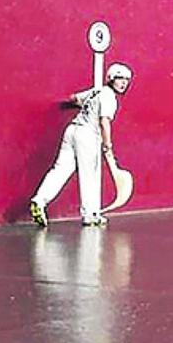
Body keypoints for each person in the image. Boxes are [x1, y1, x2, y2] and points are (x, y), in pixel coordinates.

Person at [30, 63, 133, 227]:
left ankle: (39, 200)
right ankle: (90, 215)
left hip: (71, 131)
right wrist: (107, 145)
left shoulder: (95, 91)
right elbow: (104, 121)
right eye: (120, 79)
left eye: (126, 80)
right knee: (89, 174)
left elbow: (74, 98)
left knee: (60, 170)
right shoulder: (109, 97)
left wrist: (87, 106)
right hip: (88, 136)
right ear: (111, 79)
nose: (123, 83)